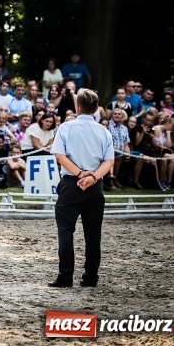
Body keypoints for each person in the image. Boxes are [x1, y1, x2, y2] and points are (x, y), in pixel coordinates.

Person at [48, 88, 114, 288]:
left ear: (77, 106)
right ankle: (91, 277)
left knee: (66, 231)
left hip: (71, 183)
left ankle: (65, 275)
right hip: (95, 185)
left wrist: (79, 174)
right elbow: (109, 161)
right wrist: (92, 176)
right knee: (93, 234)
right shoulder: (104, 131)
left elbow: (60, 156)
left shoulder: (66, 128)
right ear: (95, 109)